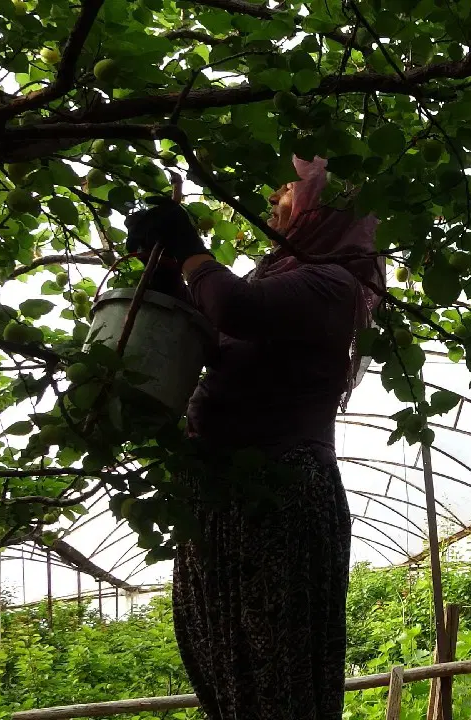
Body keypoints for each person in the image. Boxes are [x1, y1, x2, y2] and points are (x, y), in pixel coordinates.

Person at [124, 155, 385, 720]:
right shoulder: (283, 275)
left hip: (280, 497)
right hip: (223, 497)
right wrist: (170, 274)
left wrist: (192, 249)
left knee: (277, 671)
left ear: (323, 202)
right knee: (224, 660)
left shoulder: (333, 282)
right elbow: (210, 331)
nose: (275, 195)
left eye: (293, 186)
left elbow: (235, 309)